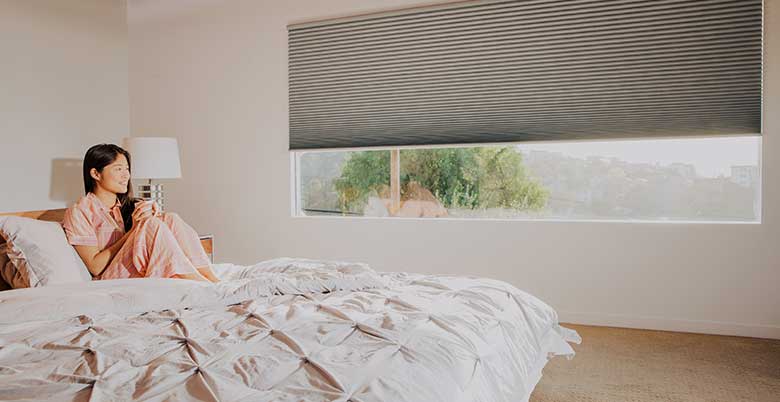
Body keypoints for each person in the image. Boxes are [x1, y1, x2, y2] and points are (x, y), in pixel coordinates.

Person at [62, 143, 219, 282]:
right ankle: (201, 284)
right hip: (108, 279)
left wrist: (152, 212)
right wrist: (134, 231)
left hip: (132, 267)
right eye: (118, 169)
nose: (126, 176)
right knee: (150, 224)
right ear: (96, 174)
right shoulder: (79, 212)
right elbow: (95, 267)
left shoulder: (125, 206)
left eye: (127, 169)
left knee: (170, 218)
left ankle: (211, 279)